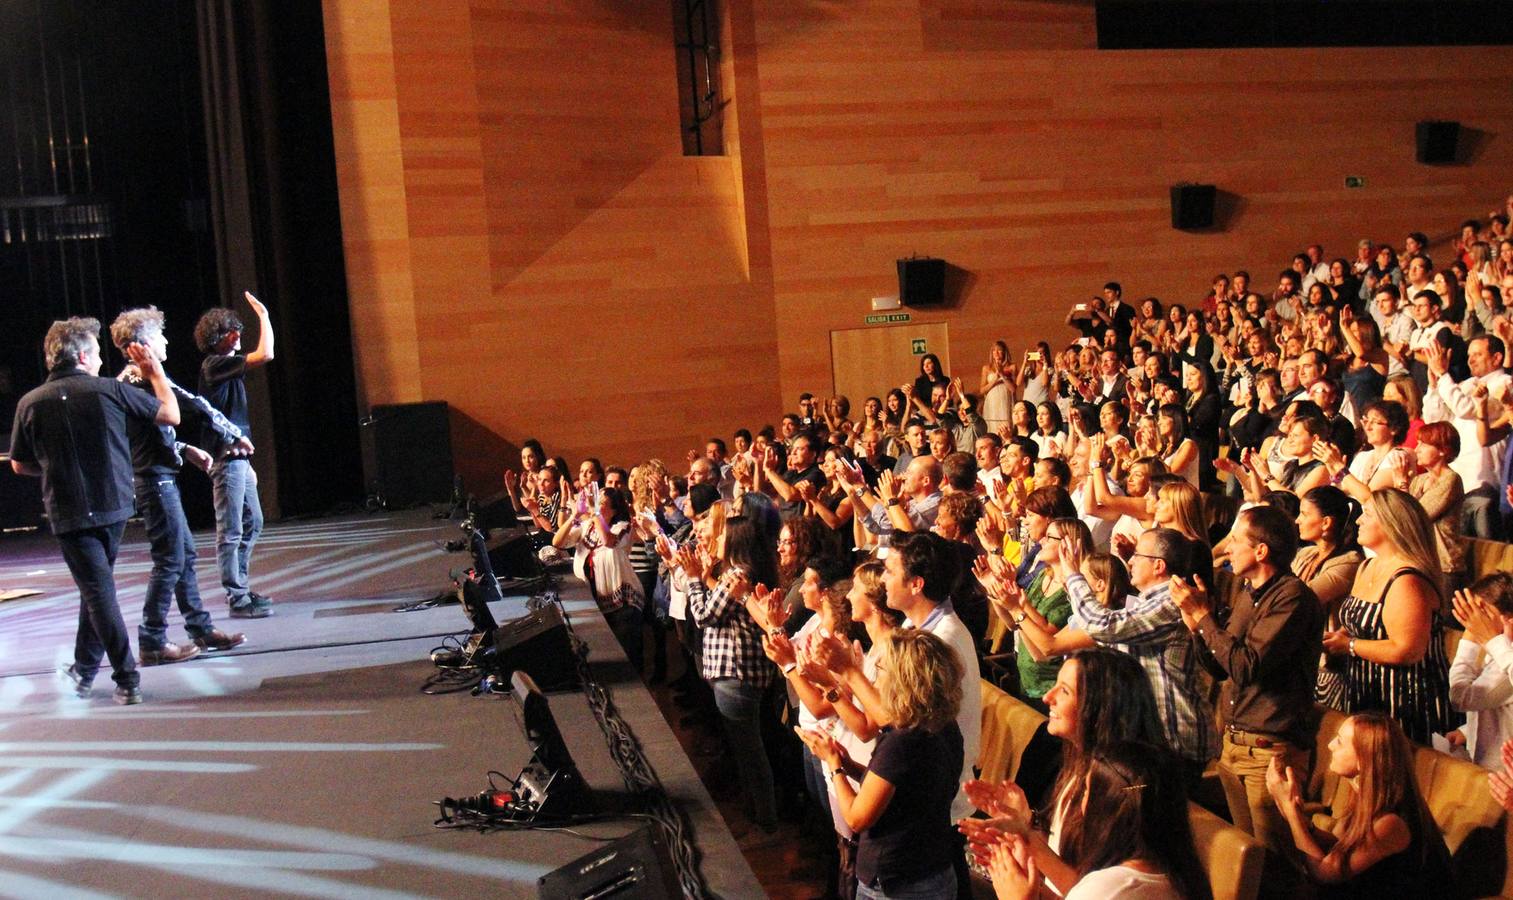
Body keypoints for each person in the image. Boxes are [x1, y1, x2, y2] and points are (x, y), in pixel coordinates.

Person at [10, 317, 180, 705]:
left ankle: (123, 677)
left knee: (97, 591)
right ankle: (93, 672)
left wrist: (51, 466)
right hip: (114, 505)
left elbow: (20, 464)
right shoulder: (110, 391)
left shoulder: (30, 402)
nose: (103, 360)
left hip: (68, 510)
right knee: (98, 590)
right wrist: (155, 373)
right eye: (99, 353)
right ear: (84, 355)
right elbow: (171, 414)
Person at [1171, 505, 1322, 859]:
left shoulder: (1292, 597)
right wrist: (1197, 627)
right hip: (1235, 745)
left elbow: (1246, 666)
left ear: (1261, 551)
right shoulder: (1247, 591)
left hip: (1269, 751)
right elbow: (1221, 668)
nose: (1227, 548)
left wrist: (1205, 618)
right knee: (1247, 860)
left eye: (1236, 541)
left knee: (1277, 864)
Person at [108, 308, 247, 665]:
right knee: (169, 559)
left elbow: (152, 433)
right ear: (141, 346)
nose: (167, 341)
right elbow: (178, 412)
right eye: (159, 336)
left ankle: (199, 628)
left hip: (161, 477)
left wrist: (185, 450)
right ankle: (152, 640)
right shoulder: (135, 382)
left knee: (183, 556)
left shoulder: (146, 380)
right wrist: (232, 435)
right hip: (153, 482)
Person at [799, 629, 964, 900]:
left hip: (896, 884)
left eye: (881, 670)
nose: (877, 679)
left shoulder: (902, 742)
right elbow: (900, 788)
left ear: (902, 681)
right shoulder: (944, 725)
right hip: (934, 870)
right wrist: (848, 764)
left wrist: (833, 765)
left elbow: (857, 817)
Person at [984, 741, 1210, 900]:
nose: (1081, 806)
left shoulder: (1111, 887)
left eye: (1085, 792)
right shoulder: (1184, 878)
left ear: (1105, 809)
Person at [1265, 713, 1454, 896]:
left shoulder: (1391, 823)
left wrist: (1292, 813)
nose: (1330, 746)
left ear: (1365, 760)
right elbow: (1342, 846)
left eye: (1339, 741)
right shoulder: (1367, 794)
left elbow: (1324, 875)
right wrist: (1302, 820)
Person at [1322, 489, 1455, 745]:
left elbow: (1406, 650)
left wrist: (1348, 646)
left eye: (1367, 514)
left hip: (1406, 705)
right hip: (1367, 694)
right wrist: (1344, 634)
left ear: (1391, 524)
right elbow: (1366, 625)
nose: (1358, 520)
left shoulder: (1408, 580)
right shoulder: (1367, 566)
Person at [679, 514, 781, 833]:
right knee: (745, 749)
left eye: (722, 536)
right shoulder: (740, 572)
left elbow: (704, 615)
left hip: (737, 675)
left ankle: (765, 819)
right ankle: (756, 812)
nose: (717, 541)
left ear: (735, 540)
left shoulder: (738, 573)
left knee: (749, 751)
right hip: (740, 674)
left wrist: (695, 577)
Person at [194, 292, 275, 618]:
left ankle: (240, 586)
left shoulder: (225, 367)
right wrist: (264, 314)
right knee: (231, 530)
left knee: (252, 521)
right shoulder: (214, 365)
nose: (238, 336)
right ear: (218, 338)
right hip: (226, 459)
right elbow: (266, 354)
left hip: (239, 457)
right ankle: (237, 598)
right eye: (232, 332)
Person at [1447, 573, 1513, 770]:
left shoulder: (1504, 654)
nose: (1473, 620)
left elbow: (1460, 697)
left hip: (1501, 773)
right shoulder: (1498, 650)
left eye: (1479, 613)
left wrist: (1469, 638)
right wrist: (1467, 730)